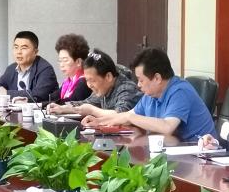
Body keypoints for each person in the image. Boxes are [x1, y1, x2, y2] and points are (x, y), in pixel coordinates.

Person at [81, 48, 214, 142]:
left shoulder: (180, 91)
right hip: (173, 150)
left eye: (141, 80)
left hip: (200, 154)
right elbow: (127, 116)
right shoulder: (151, 95)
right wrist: (99, 122)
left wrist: (130, 117)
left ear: (157, 78)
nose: (138, 85)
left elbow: (167, 127)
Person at [48, 49, 140, 116]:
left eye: (92, 80)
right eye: (87, 80)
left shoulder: (127, 89)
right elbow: (87, 103)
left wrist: (92, 111)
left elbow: (121, 115)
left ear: (108, 76)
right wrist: (62, 108)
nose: (89, 85)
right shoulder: (104, 88)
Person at [0, 31, 58, 101]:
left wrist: (6, 93)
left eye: (24, 48)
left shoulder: (45, 69)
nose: (19, 52)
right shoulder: (11, 69)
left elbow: (39, 95)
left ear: (35, 52)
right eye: (16, 47)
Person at [52, 33, 93, 104]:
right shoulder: (68, 82)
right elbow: (53, 98)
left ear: (78, 62)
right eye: (60, 61)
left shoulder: (84, 82)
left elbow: (70, 102)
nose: (61, 65)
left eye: (65, 60)